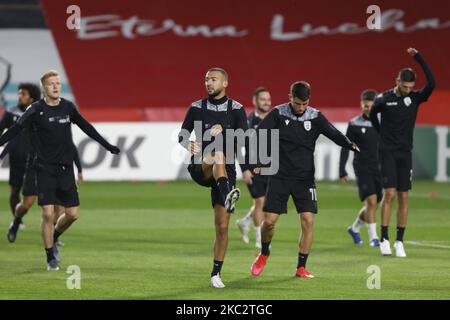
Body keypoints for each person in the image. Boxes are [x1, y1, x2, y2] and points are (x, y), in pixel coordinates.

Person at [0, 70, 120, 270]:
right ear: (44, 88)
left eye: (58, 83)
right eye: (51, 84)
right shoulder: (35, 110)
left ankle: (54, 236)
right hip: (43, 169)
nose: (56, 86)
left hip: (65, 170)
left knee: (72, 214)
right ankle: (50, 257)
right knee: (47, 214)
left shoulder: (68, 107)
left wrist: (107, 146)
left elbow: (87, 127)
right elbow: (14, 130)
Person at [250, 81, 359, 278]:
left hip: (304, 178)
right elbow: (258, 135)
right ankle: (264, 253)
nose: (301, 108)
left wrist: (350, 144)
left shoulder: (315, 116)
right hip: (280, 176)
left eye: (304, 104)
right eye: (298, 103)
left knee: (308, 221)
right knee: (270, 222)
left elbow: (333, 133)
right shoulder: (278, 113)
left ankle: (301, 266)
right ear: (290, 97)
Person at [178, 67, 251, 288]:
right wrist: (186, 143)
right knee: (217, 152)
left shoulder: (236, 109)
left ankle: (216, 274)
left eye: (213, 79)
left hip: (225, 172)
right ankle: (228, 192)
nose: (208, 83)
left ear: (225, 83)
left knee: (222, 227)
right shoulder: (196, 107)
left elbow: (245, 139)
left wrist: (226, 132)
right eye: (206, 79)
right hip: (202, 165)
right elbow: (183, 133)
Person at [369, 48, 435, 257]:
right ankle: (384, 239)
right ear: (397, 81)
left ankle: (399, 241)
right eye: (404, 86)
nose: (407, 90)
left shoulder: (415, 98)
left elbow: (432, 83)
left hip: (405, 152)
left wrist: (419, 57)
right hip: (387, 151)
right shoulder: (383, 99)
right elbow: (372, 115)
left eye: (410, 87)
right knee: (389, 194)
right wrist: (381, 134)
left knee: (404, 196)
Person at [6, 141, 83, 244]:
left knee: (58, 209)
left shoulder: (60, 127)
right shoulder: (34, 126)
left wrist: (79, 168)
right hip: (35, 169)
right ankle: (16, 222)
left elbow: (69, 144)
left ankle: (52, 241)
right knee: (26, 205)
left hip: (54, 170)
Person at [339, 89, 381, 247]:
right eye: (365, 106)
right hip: (362, 168)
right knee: (371, 201)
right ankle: (374, 238)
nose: (368, 109)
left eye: (371, 106)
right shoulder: (354, 124)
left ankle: (354, 228)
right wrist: (342, 169)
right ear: (361, 105)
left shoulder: (382, 123)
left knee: (373, 204)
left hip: (379, 168)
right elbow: (346, 147)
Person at [236, 87, 272, 249]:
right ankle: (260, 239)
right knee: (260, 202)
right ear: (255, 101)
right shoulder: (248, 123)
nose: (267, 102)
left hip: (272, 169)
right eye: (263, 99)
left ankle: (244, 222)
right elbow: (239, 148)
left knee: (266, 204)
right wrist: (244, 169)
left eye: (268, 99)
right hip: (253, 168)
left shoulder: (275, 119)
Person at [0, 83, 41, 224]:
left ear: (32, 98)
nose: (20, 96)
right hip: (16, 158)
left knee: (43, 192)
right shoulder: (11, 112)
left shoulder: (39, 113)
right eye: (19, 93)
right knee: (15, 190)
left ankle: (51, 223)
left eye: (23, 94)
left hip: (36, 160)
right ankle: (17, 220)